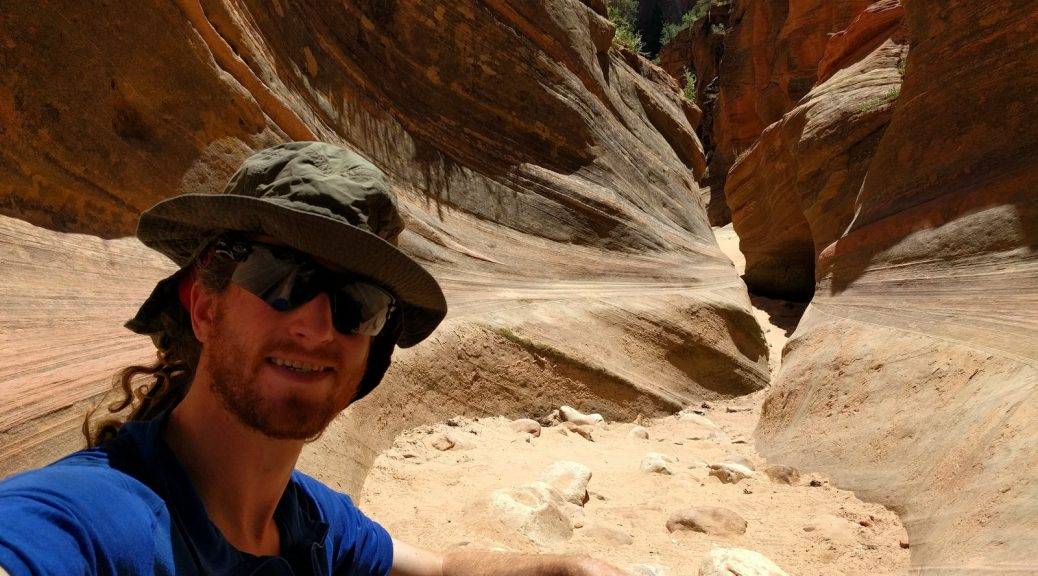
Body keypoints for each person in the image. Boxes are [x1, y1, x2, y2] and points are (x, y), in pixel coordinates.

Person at [0, 142, 627, 575]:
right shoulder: (93, 519)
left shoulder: (309, 520)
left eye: (357, 300)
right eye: (281, 275)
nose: (317, 323)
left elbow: (435, 568)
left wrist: (568, 568)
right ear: (203, 305)